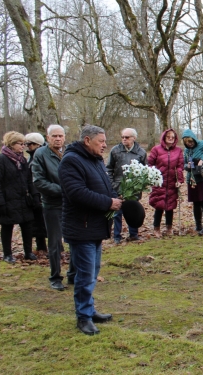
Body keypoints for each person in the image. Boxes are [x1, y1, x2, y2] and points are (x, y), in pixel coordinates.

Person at [58, 125, 120, 335]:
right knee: (85, 275)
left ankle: (89, 310)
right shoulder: (71, 161)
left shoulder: (96, 160)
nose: (105, 145)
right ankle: (83, 317)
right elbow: (77, 193)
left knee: (92, 272)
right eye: (101, 141)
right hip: (81, 226)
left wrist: (116, 198)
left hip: (95, 226)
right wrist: (108, 203)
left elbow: (106, 185)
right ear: (87, 140)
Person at [31, 124, 74, 290]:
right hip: (52, 204)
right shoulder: (41, 154)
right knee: (55, 243)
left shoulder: (69, 152)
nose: (58, 139)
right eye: (54, 136)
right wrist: (63, 191)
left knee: (75, 240)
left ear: (64, 137)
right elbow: (39, 181)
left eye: (60, 136)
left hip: (71, 204)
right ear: (47, 137)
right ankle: (55, 276)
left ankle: (73, 274)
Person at [0, 131, 40, 264]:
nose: (23, 146)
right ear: (11, 144)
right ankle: (7, 254)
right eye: (20, 143)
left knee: (27, 226)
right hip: (8, 200)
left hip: (23, 200)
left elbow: (29, 180)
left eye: (24, 144)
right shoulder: (1, 160)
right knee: (7, 226)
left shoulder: (22, 160)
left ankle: (28, 252)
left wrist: (34, 196)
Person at [106, 128, 147, 244]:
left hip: (133, 188)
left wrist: (139, 185)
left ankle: (133, 234)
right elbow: (109, 168)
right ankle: (117, 236)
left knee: (132, 211)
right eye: (122, 137)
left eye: (127, 137)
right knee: (117, 212)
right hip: (117, 186)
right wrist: (113, 185)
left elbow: (145, 171)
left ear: (134, 138)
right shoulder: (115, 151)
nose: (124, 139)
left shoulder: (141, 153)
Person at [148, 129, 184, 238]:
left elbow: (180, 166)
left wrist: (179, 180)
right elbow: (150, 164)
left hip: (172, 182)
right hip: (159, 182)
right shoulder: (156, 149)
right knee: (159, 205)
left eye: (172, 137)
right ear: (164, 137)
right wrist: (153, 176)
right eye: (168, 136)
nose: (170, 138)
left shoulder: (178, 151)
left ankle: (169, 227)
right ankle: (156, 228)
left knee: (170, 206)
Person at [182, 129, 203, 235]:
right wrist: (188, 166)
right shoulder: (187, 151)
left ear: (194, 139)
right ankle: (198, 225)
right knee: (196, 203)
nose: (190, 144)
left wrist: (201, 159)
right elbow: (184, 164)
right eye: (187, 143)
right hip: (192, 179)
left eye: (191, 142)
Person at [25, 132, 48, 253]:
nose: (28, 146)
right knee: (37, 222)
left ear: (38, 144)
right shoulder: (31, 157)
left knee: (47, 222)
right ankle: (41, 246)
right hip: (34, 194)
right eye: (27, 144)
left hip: (42, 193)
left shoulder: (42, 156)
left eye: (31, 144)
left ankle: (55, 247)